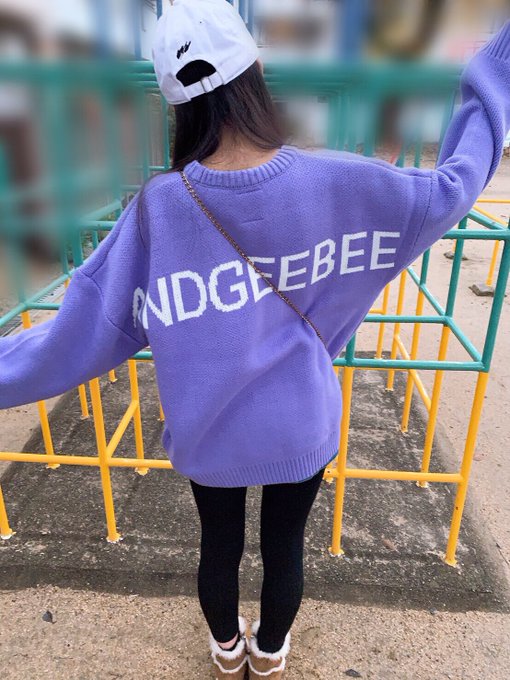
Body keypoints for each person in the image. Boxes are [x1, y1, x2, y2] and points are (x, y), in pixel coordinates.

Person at [1, 0, 510, 677]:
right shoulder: (340, 182)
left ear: (174, 103)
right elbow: (454, 185)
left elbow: (76, 332)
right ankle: (268, 655)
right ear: (257, 71)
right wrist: (493, 70)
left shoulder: (157, 210)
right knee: (285, 547)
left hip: (208, 432)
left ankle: (226, 651)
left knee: (219, 546)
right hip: (300, 422)